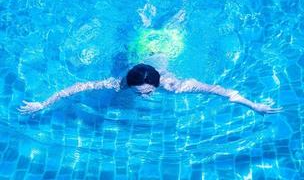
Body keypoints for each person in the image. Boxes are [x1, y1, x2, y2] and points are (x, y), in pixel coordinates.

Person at [18, 63, 282, 114]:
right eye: (140, 92)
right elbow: (74, 89)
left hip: (166, 46)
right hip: (140, 51)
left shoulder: (175, 86)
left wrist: (253, 105)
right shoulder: (119, 83)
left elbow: (222, 91)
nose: (146, 95)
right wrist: (43, 104)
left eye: (149, 91)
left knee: (172, 23)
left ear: (158, 84)